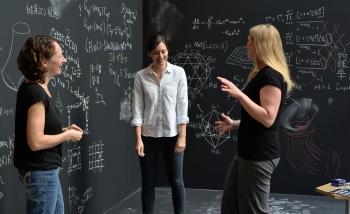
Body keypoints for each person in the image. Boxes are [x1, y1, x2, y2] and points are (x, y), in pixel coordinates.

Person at [213, 24, 294, 214]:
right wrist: (234, 124)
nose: (246, 43)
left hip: (259, 156)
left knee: (253, 210)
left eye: (249, 40)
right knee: (230, 206)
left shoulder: (271, 76)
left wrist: (240, 95)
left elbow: (268, 119)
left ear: (259, 45)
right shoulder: (261, 74)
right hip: (246, 153)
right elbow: (259, 119)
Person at [14, 35, 83, 214]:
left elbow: (38, 129)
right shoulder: (36, 93)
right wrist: (67, 136)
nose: (64, 60)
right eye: (60, 56)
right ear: (44, 63)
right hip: (41, 172)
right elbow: (36, 142)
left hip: (43, 171)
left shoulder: (34, 87)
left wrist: (63, 130)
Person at [131, 34, 189, 214]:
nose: (160, 56)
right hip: (148, 138)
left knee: (176, 181)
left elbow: (182, 106)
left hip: (172, 136)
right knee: (148, 183)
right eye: (156, 52)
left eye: (163, 51)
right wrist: (138, 139)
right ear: (149, 53)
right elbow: (137, 110)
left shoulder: (178, 73)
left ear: (168, 51)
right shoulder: (140, 76)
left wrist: (182, 137)